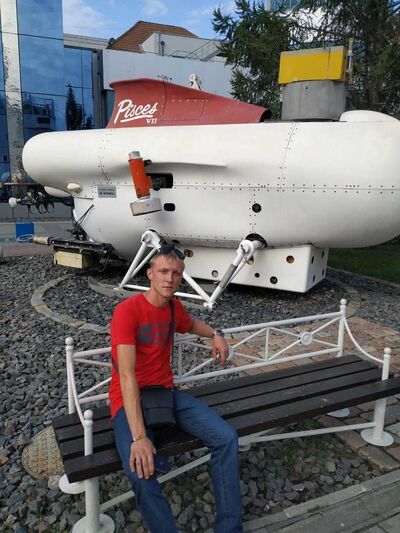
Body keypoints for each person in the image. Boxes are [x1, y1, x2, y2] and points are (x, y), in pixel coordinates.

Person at [109, 246, 242, 533]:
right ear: (150, 274)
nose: (170, 279)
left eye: (176, 273)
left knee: (226, 438)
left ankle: (229, 528)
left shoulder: (173, 308)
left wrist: (216, 334)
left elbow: (191, 324)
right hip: (129, 399)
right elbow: (127, 376)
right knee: (140, 469)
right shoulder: (127, 312)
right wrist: (139, 437)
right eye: (163, 271)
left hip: (165, 395)